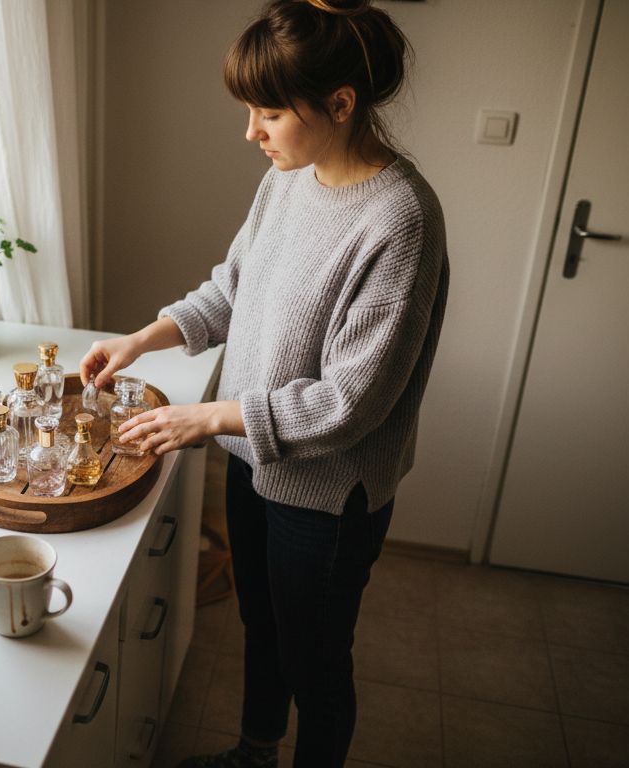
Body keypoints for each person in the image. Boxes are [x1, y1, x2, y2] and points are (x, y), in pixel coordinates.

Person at [78, 1, 448, 766]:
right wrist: (143, 339)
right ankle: (254, 753)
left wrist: (207, 417)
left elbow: (349, 403)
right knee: (262, 627)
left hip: (328, 495)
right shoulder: (288, 180)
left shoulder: (400, 220)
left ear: (340, 104)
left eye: (270, 113)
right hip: (254, 462)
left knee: (316, 666)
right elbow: (231, 289)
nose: (252, 132)